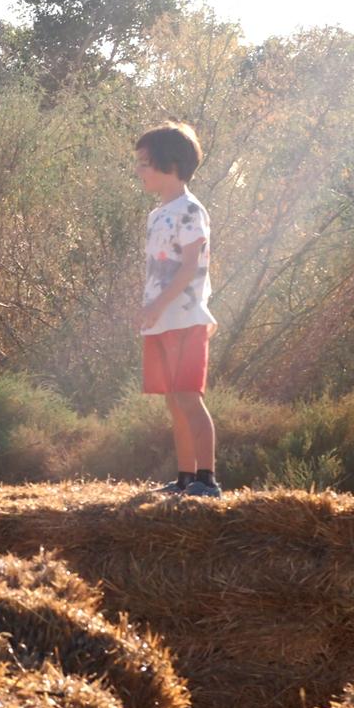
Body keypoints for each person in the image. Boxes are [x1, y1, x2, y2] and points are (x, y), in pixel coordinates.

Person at [134, 122, 220, 497]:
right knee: (173, 399)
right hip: (161, 321)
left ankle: (207, 479)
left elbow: (190, 266)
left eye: (144, 163)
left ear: (169, 165)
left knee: (189, 396)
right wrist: (150, 309)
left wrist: (158, 304)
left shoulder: (191, 210)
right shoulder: (156, 215)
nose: (139, 171)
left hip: (185, 317)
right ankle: (185, 477)